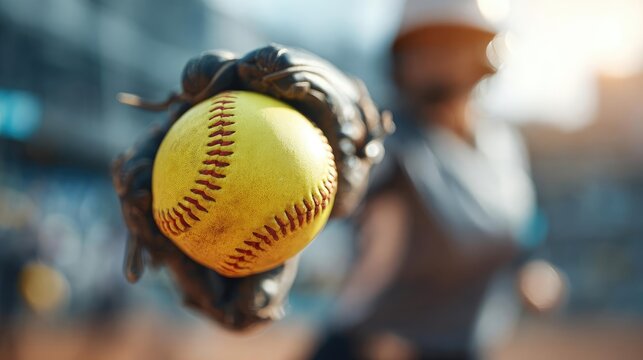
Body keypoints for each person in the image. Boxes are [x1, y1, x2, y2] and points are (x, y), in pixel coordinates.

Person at [310, 0, 558, 359]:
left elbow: (523, 234)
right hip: (380, 346)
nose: (431, 59)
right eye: (419, 49)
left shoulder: (502, 144)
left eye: (448, 43)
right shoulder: (390, 145)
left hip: (467, 346)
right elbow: (351, 193)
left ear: (485, 50)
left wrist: (531, 269)